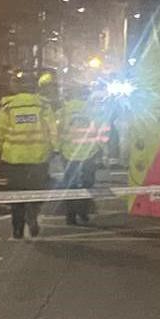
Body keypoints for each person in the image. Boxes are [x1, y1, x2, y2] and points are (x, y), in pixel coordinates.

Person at [0, 72, 57, 240]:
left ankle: (17, 229)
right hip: (38, 158)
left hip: (14, 159)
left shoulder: (9, 107)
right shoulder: (43, 106)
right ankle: (32, 214)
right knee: (36, 190)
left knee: (17, 194)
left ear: (16, 87)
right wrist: (55, 149)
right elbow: (52, 130)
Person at [57, 84, 108, 226]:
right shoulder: (91, 110)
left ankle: (70, 215)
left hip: (68, 152)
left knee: (70, 184)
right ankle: (83, 211)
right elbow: (101, 129)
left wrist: (57, 148)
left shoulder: (64, 111)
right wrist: (102, 148)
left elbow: (57, 130)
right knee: (87, 183)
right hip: (88, 152)